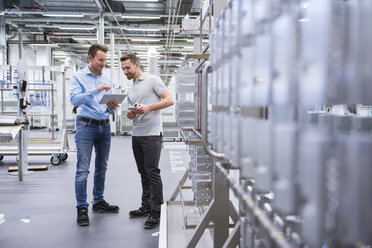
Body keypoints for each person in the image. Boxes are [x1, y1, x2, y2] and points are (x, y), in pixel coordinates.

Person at [121, 53, 174, 229]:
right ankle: (146, 206)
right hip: (137, 134)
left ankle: (156, 211)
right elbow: (132, 112)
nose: (125, 71)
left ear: (136, 65)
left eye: (127, 67)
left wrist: (149, 107)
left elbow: (169, 100)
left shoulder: (153, 80)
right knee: (143, 172)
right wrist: (130, 114)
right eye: (122, 69)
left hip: (152, 135)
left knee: (152, 172)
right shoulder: (131, 88)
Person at [70, 44, 120, 226]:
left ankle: (98, 201)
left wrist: (112, 106)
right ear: (90, 58)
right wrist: (96, 90)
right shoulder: (78, 77)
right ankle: (81, 207)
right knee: (83, 169)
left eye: (105, 60)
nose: (103, 63)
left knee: (102, 167)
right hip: (86, 126)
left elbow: (107, 103)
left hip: (104, 126)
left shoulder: (106, 77)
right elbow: (74, 100)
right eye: (100, 60)